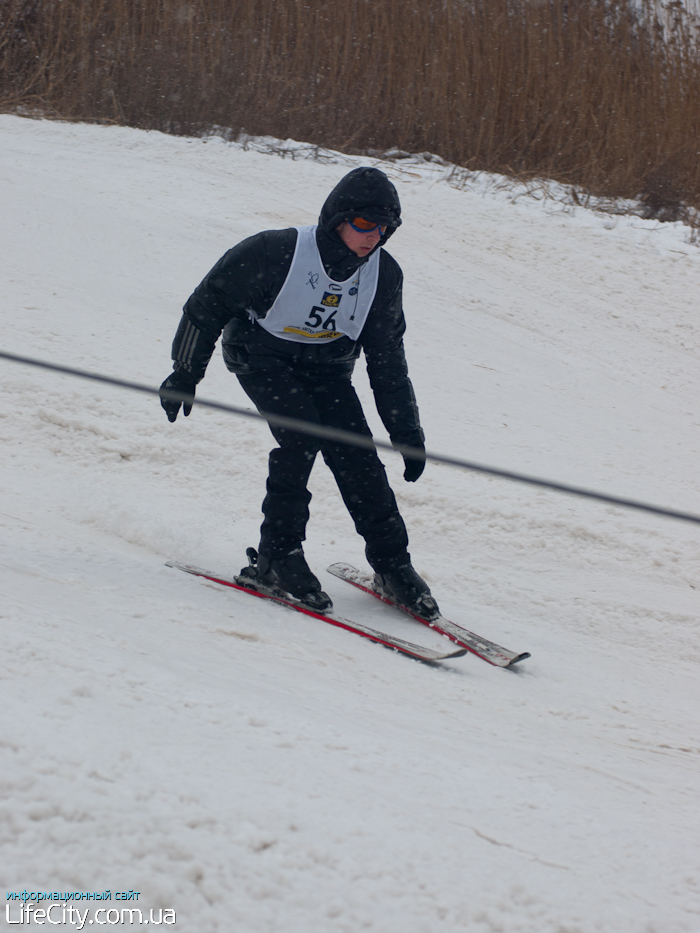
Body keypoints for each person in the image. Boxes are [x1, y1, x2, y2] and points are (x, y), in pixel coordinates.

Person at [160, 166, 439, 619]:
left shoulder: (383, 277)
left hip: (326, 366)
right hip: (260, 353)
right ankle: (277, 557)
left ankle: (392, 565)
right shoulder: (276, 252)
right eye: (365, 224)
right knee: (301, 436)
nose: (375, 237)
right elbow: (207, 304)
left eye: (385, 228)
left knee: (357, 453)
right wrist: (185, 373)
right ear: (337, 220)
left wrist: (406, 431)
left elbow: (387, 360)